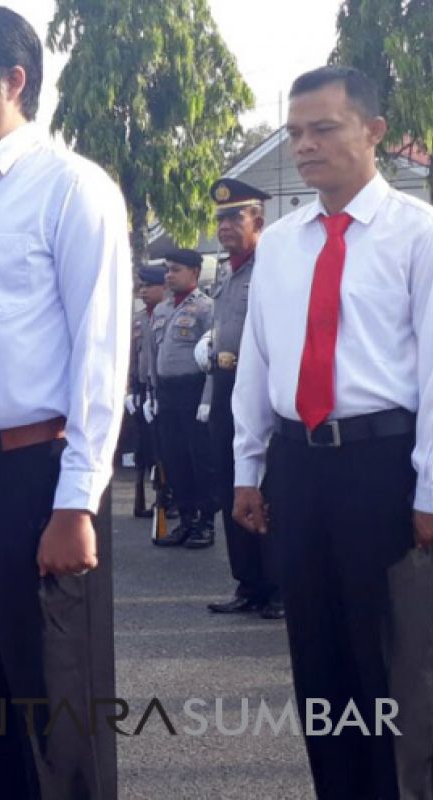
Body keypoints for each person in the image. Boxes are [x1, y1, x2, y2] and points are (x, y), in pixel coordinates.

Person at [0, 8, 129, 797]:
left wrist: (77, 501)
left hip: (36, 477)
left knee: (56, 720)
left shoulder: (72, 189)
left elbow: (101, 359)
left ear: (13, 80)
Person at [232, 66, 433, 800]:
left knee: (390, 661)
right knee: (316, 656)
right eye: (294, 134)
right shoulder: (282, 244)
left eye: (324, 129)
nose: (305, 146)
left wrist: (430, 488)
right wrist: (247, 469)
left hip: (381, 466)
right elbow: (258, 360)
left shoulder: (419, 237)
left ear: (374, 131)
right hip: (299, 466)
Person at [196, 179, 283, 619]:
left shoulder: (273, 266)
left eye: (235, 217)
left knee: (266, 487)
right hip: (227, 387)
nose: (225, 226)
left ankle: (278, 586)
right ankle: (248, 581)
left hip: (262, 390)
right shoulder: (228, 272)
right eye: (220, 220)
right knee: (231, 479)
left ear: (258, 222)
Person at [145, 248, 218, 548]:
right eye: (168, 270)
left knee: (199, 459)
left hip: (194, 391)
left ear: (194, 273)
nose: (169, 275)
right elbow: (152, 353)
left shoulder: (205, 307)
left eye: (176, 269)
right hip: (167, 392)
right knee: (174, 460)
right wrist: (151, 392)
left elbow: (213, 354)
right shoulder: (162, 310)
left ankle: (206, 523)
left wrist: (208, 397)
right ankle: (186, 520)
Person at [127, 263, 166, 519]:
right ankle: (142, 497)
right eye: (141, 286)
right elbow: (131, 356)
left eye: (149, 286)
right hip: (142, 390)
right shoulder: (138, 319)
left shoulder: (169, 314)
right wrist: (129, 389)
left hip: (165, 389)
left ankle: (166, 497)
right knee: (144, 446)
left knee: (165, 449)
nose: (143, 291)